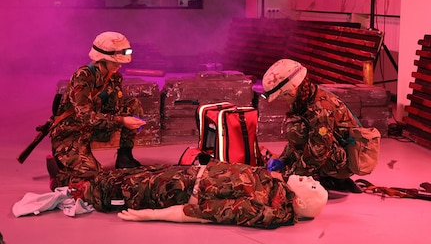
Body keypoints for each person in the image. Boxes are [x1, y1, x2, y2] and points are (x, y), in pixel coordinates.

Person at [69, 159, 328, 228]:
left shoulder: (264, 209)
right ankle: (69, 179)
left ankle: (74, 189)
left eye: (314, 186)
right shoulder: (276, 188)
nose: (311, 179)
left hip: (176, 191)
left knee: (106, 192)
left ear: (302, 201)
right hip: (186, 175)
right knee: (113, 175)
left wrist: (151, 215)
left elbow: (206, 213)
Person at [49, 31, 146, 190]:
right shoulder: (83, 77)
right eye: (114, 61)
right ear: (102, 59)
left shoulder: (114, 77)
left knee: (133, 105)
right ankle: (59, 175)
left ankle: (124, 157)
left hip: (94, 127)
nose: (119, 65)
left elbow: (114, 107)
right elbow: (86, 117)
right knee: (95, 177)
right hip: (72, 132)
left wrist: (130, 120)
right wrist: (121, 121)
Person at [261, 59, 363, 193]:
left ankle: (331, 177)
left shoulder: (320, 109)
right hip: (329, 151)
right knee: (297, 129)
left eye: (281, 96)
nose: (281, 100)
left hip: (341, 163)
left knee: (301, 132)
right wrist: (283, 160)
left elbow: (318, 151)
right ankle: (314, 173)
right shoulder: (304, 97)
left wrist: (288, 177)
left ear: (290, 90)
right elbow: (297, 141)